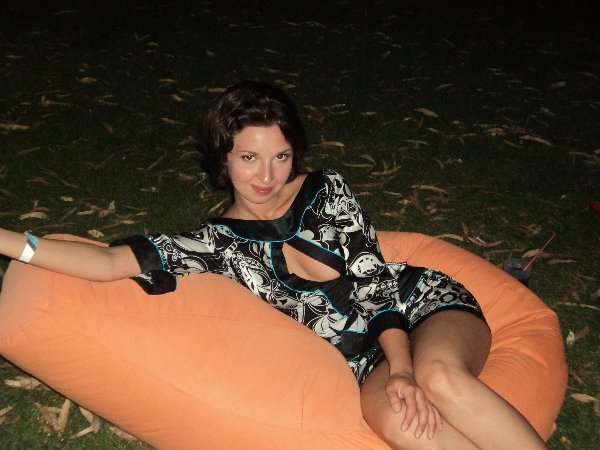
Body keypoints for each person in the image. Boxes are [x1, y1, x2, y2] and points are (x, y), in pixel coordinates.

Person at [0, 81, 546, 449]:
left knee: (437, 379)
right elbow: (106, 262)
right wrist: (7, 241)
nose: (266, 176)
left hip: (418, 307)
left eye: (280, 156)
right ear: (223, 157)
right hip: (362, 363)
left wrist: (403, 370)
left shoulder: (326, 191)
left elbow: (375, 284)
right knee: (404, 423)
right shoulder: (216, 244)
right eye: (249, 157)